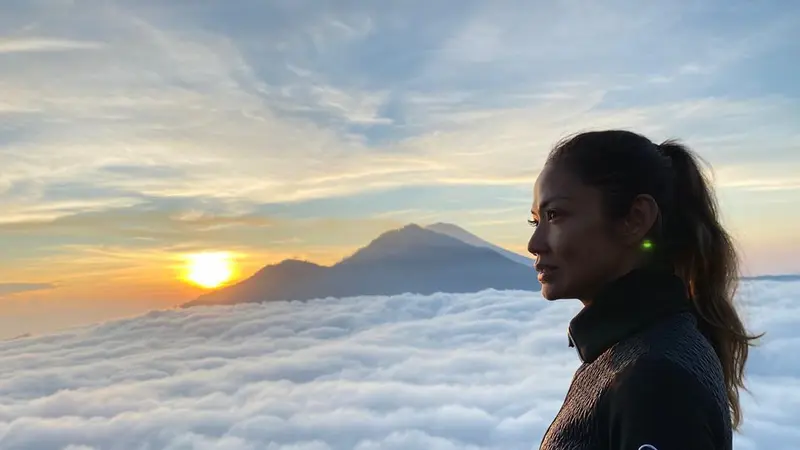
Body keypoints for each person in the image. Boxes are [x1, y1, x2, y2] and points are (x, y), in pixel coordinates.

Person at [528, 130, 762, 450]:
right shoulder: (631, 356)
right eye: (536, 221)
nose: (534, 244)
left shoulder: (655, 382)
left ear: (635, 219)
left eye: (554, 215)